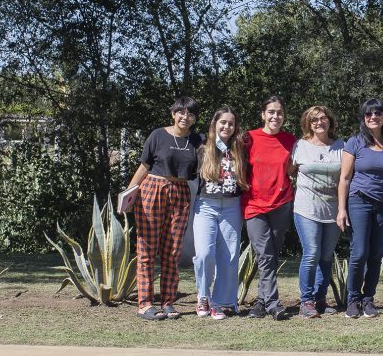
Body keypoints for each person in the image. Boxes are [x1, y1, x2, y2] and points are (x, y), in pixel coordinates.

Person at [126, 96, 202, 320]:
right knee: (147, 250)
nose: (185, 117)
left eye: (190, 114)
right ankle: (145, 303)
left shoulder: (196, 140)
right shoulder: (158, 135)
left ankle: (168, 302)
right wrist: (129, 193)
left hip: (181, 193)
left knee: (173, 251)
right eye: (181, 112)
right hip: (153, 188)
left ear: (194, 118)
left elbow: (208, 163)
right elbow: (144, 166)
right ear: (173, 113)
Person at [337, 98, 383, 319]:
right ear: (363, 118)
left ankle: (368, 300)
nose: (373, 117)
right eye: (368, 114)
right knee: (359, 252)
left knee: (376, 254)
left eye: (378, 113)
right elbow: (344, 179)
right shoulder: (354, 142)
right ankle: (353, 300)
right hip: (359, 201)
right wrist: (341, 209)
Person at [242, 95, 295, 321]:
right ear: (263, 114)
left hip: (281, 204)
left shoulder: (291, 140)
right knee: (264, 254)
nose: (275, 116)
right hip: (254, 205)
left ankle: (261, 302)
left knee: (271, 254)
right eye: (271, 112)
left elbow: (294, 170)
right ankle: (273, 303)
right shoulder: (248, 138)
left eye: (279, 113)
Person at [192, 106, 248, 320]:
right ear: (215, 124)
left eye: (231, 123)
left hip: (231, 206)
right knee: (205, 254)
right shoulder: (203, 148)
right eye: (223, 122)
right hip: (205, 205)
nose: (227, 126)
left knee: (230, 256)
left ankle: (221, 302)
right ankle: (203, 297)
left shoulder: (238, 149)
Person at [291, 105, 344, 318]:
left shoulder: (342, 146)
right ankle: (306, 301)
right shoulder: (300, 146)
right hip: (306, 208)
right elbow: (290, 172)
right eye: (313, 120)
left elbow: (346, 178)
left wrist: (342, 208)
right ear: (308, 124)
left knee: (326, 256)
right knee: (311, 252)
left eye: (322, 118)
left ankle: (320, 299)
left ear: (330, 121)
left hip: (333, 209)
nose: (319, 123)